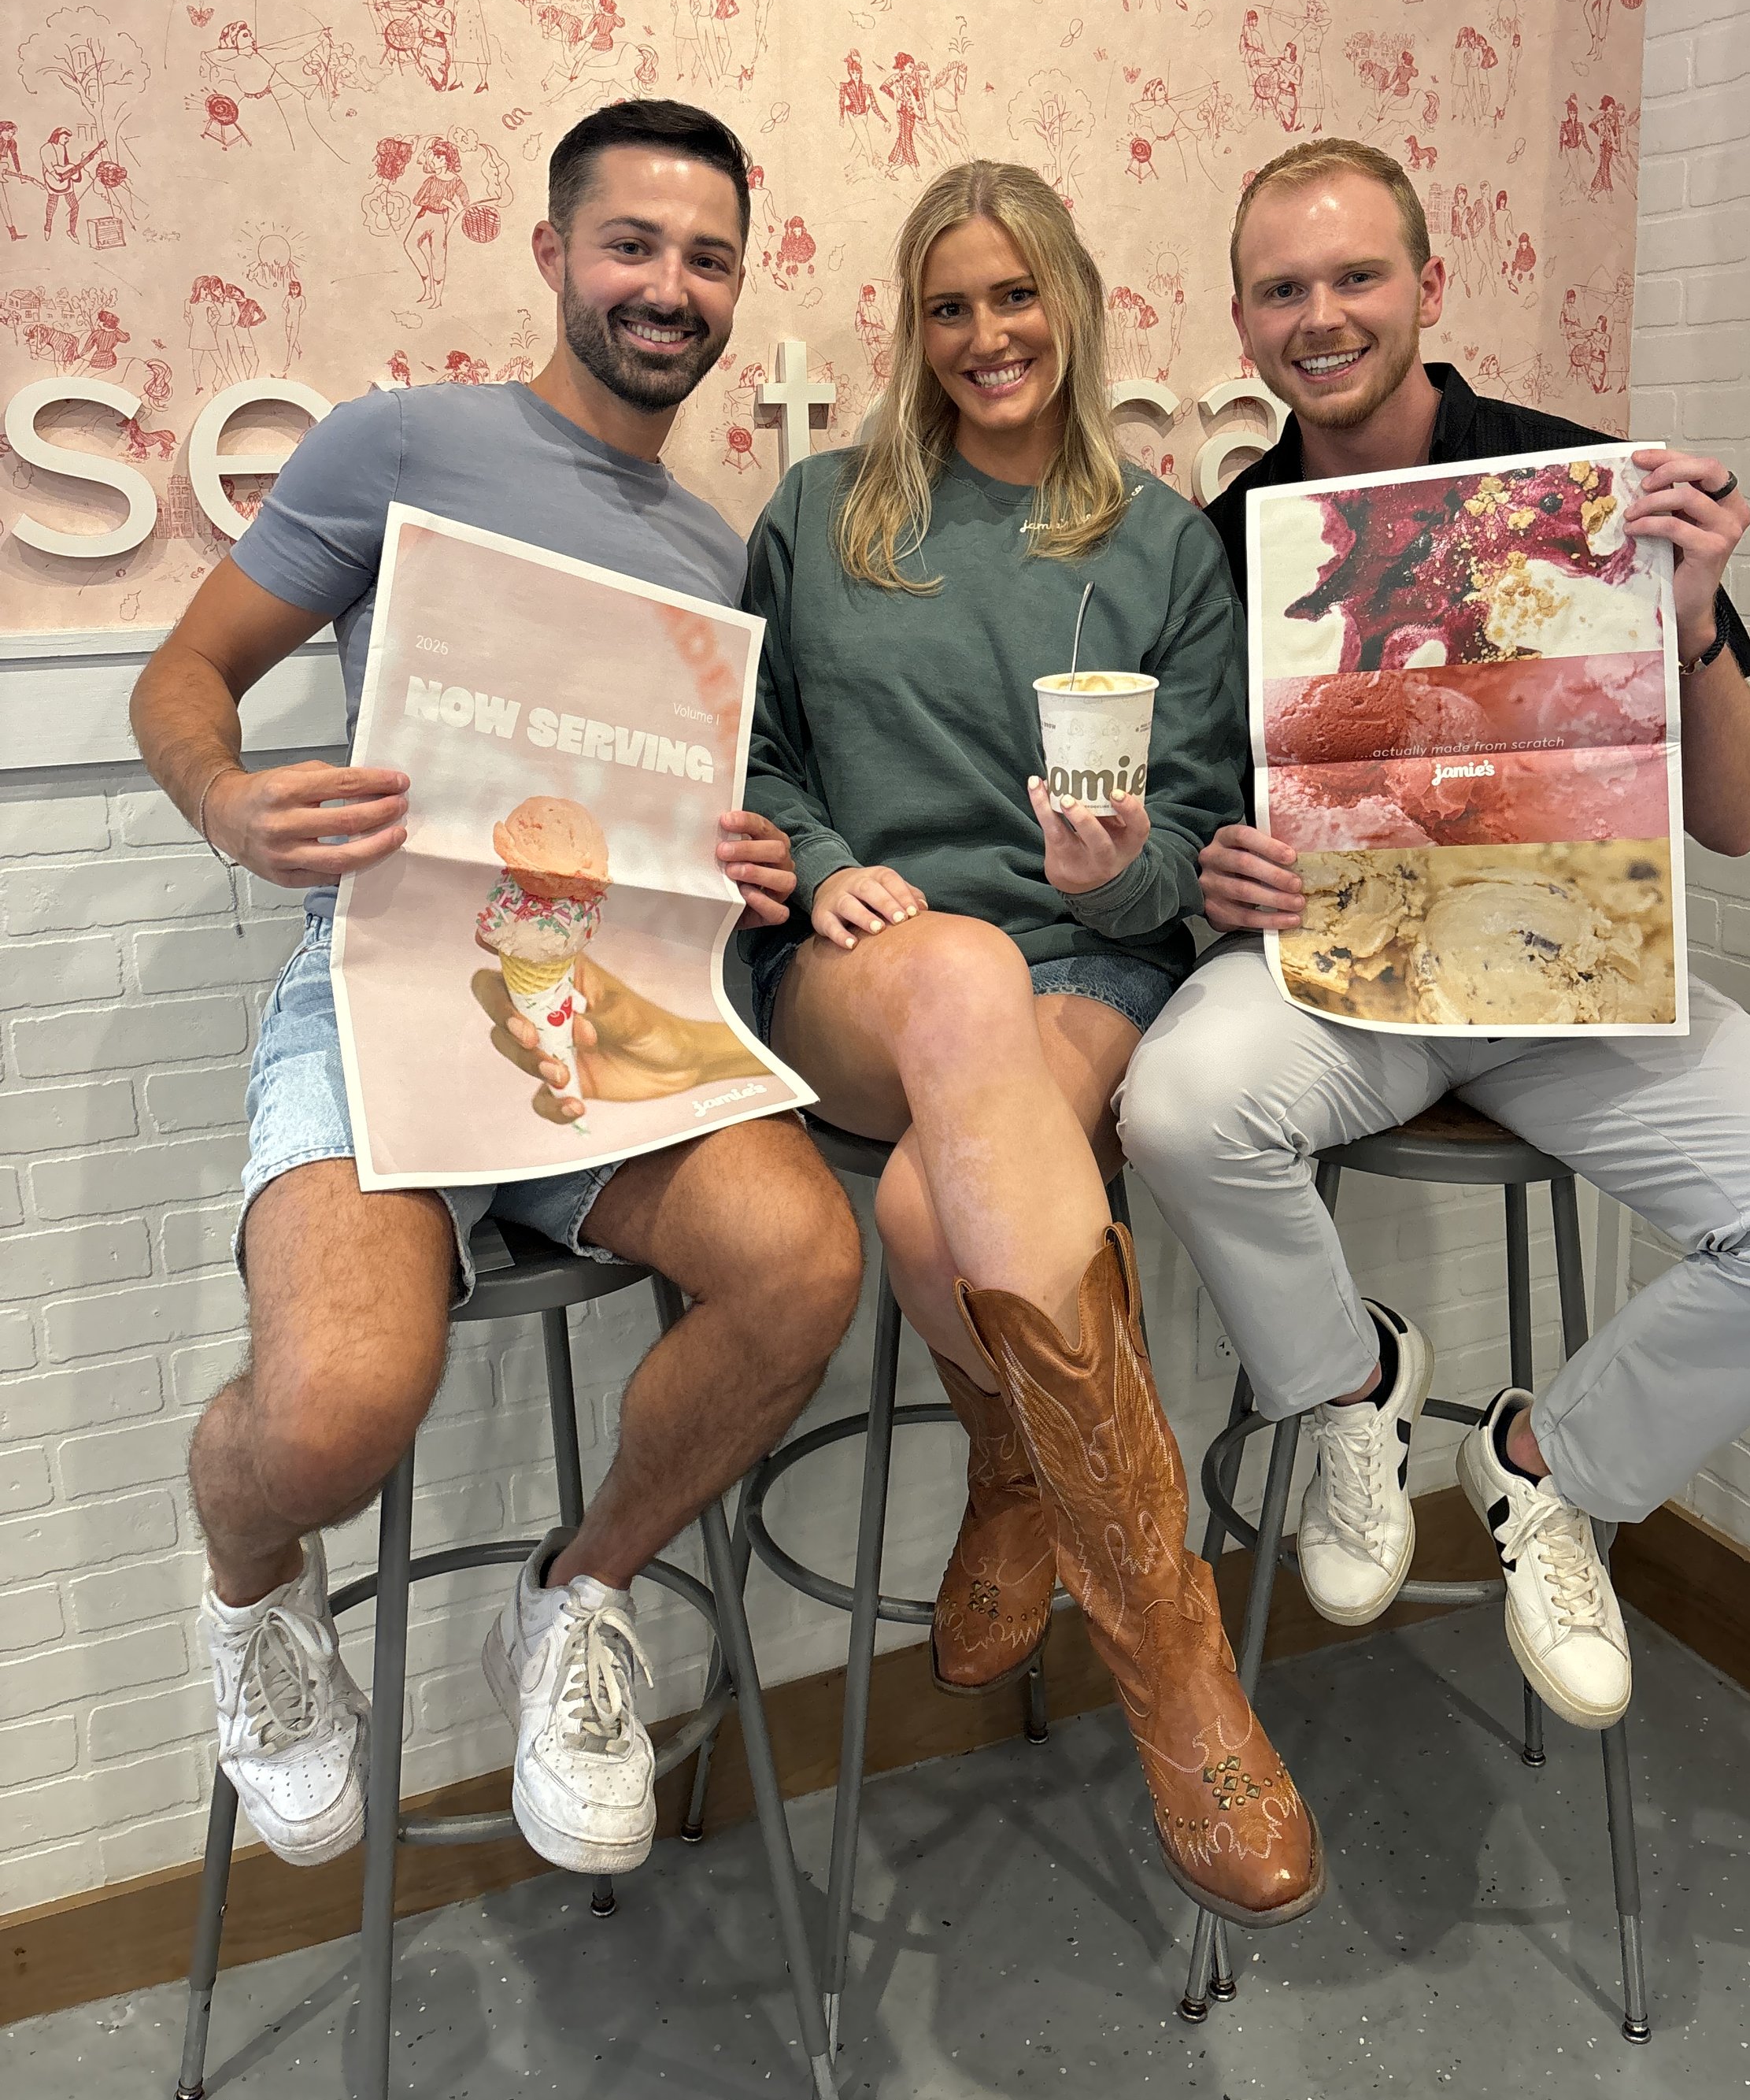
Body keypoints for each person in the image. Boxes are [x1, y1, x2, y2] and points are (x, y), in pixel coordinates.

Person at [129, 99, 863, 1877]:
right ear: (552, 254)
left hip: (594, 1013)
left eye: (704, 257)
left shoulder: (711, 551)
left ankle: (576, 1592)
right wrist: (231, 799)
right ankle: (249, 1591)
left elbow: (683, 819)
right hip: (378, 981)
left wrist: (746, 865)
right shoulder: (400, 441)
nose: (666, 287)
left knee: (803, 1262)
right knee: (330, 1413)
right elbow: (183, 676)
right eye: (631, 244)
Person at [1119, 136, 1750, 1732]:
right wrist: (1218, 872)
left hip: (1568, 981)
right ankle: (1349, 1385)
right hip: (1342, 992)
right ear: (1239, 316)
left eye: (1355, 275)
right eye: (1282, 287)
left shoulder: (1576, 493)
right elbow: (1198, 829)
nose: (1322, 313)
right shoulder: (1217, 548)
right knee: (1176, 1106)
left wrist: (1684, 625)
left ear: (1427, 283)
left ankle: (1540, 1465)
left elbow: (1740, 816)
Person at [739, 160, 1321, 1928]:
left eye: (1016, 297)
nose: (987, 335)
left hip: (1083, 954)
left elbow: (1202, 845)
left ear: (1069, 307)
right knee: (953, 969)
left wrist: (1123, 860)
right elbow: (749, 756)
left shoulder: (1157, 543)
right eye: (948, 304)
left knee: (931, 1217)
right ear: (911, 330)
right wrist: (831, 865)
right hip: (874, 970)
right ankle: (1175, 1656)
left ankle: (1018, 1466)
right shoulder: (823, 514)